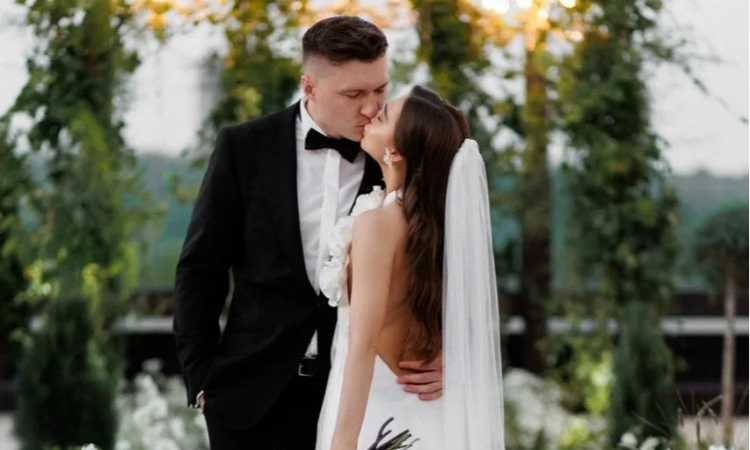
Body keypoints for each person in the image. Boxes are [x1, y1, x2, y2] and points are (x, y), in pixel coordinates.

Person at [173, 16, 443, 450]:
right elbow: (199, 270)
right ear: (309, 87)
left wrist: (443, 349)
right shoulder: (244, 147)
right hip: (250, 399)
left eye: (380, 90)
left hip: (364, 396)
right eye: (354, 94)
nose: (371, 108)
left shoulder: (399, 157)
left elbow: (436, 264)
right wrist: (202, 380)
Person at [315, 85, 506, 450]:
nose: (372, 114)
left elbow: (363, 344)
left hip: (381, 415)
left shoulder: (377, 225)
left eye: (383, 116)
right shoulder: (433, 230)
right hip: (428, 413)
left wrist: (343, 441)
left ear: (396, 151)